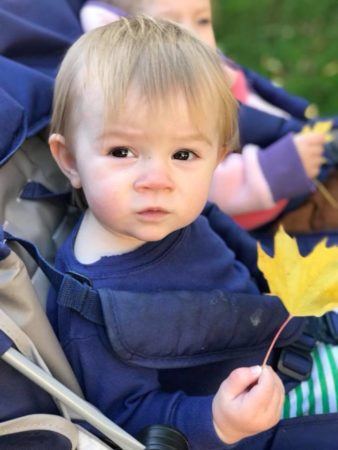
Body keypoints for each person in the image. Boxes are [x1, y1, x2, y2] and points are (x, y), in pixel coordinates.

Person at [48, 16, 338, 450]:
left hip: (296, 338)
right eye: (121, 151)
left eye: (183, 153)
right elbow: (123, 416)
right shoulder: (92, 306)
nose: (156, 178)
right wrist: (216, 421)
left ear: (218, 158)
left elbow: (257, 261)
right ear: (70, 159)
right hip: (261, 419)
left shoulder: (188, 213)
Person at [79, 0, 338, 232]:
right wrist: (276, 169)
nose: (194, 35)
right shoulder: (163, 95)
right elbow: (195, 173)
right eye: (172, 25)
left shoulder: (208, 69)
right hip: (278, 197)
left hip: (304, 153)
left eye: (202, 20)